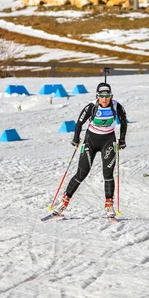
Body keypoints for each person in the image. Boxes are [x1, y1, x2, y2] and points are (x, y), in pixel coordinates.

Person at [53, 82, 127, 218]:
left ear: (111, 96)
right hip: (91, 141)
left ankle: (109, 205)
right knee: (81, 173)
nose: (104, 99)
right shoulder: (91, 106)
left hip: (108, 141)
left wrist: (122, 139)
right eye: (101, 96)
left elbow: (124, 122)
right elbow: (79, 122)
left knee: (108, 174)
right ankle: (63, 203)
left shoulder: (117, 106)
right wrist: (76, 138)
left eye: (107, 96)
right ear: (97, 96)